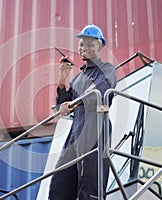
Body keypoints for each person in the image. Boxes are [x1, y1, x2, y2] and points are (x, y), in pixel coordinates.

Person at [48, 24, 116, 200]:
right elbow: (63, 106)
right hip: (75, 133)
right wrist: (63, 78)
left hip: (94, 130)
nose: (84, 47)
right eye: (81, 44)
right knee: (60, 184)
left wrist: (73, 103)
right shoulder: (78, 78)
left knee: (89, 184)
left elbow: (99, 92)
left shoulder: (107, 69)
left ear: (100, 46)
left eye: (89, 44)